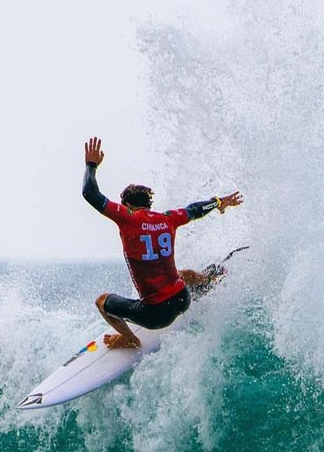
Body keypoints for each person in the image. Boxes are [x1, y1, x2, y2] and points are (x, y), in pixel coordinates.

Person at [81, 137, 243, 349]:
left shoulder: (127, 217)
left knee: (102, 301)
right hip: (183, 299)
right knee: (182, 275)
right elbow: (195, 209)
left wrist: (90, 164)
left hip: (156, 315)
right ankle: (207, 281)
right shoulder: (168, 218)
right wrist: (220, 202)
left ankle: (130, 339)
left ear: (128, 205)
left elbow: (89, 193)